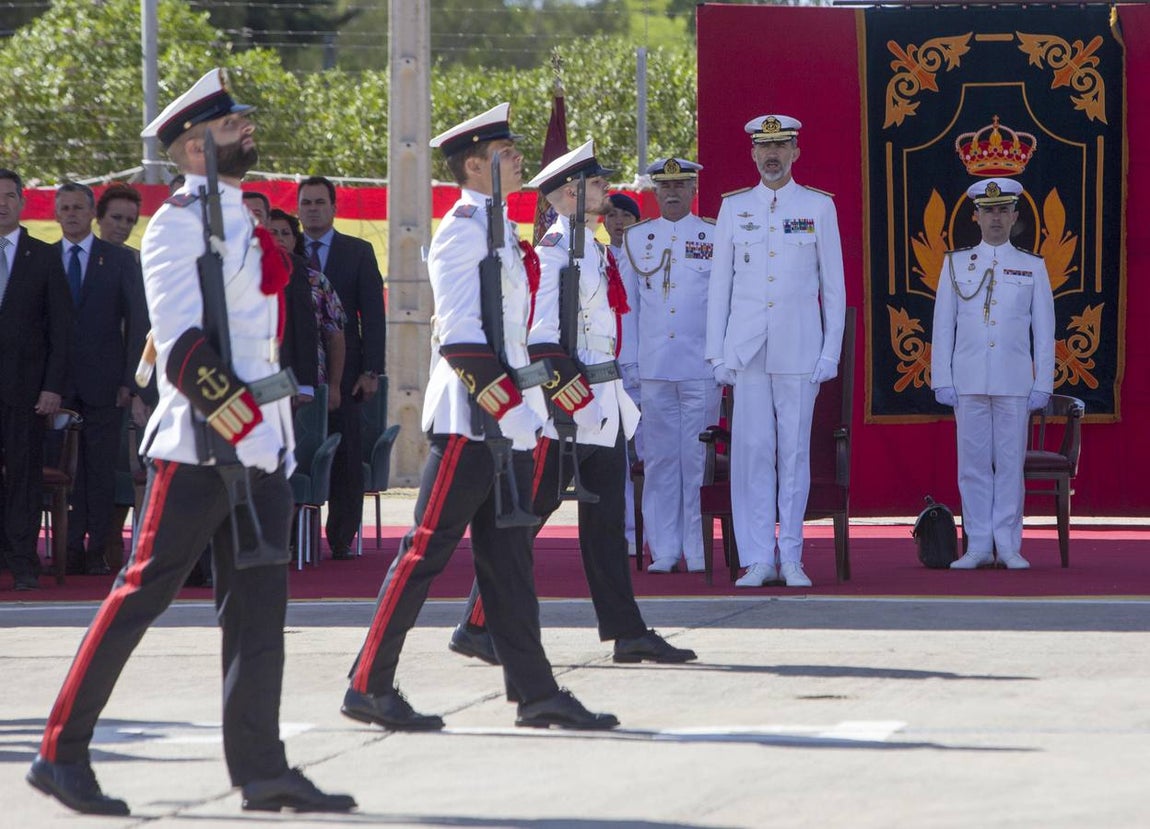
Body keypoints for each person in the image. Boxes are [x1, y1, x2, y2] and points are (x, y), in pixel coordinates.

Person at [27, 69, 356, 816]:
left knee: (259, 611)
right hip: (202, 445)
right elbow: (179, 346)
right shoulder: (178, 224)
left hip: (260, 446)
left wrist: (270, 439)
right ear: (193, 146)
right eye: (232, 124)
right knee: (141, 594)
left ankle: (262, 768)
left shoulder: (238, 215)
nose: (247, 129)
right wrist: (240, 426)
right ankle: (60, 752)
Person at [342, 104, 618, 732]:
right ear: (474, 166)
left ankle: (536, 692)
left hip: (507, 422)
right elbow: (461, 337)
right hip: (472, 421)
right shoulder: (463, 231)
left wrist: (520, 417)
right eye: (505, 151)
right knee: (424, 552)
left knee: (509, 562)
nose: (519, 157)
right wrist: (504, 410)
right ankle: (368, 684)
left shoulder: (499, 230)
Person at [450, 141, 697, 666]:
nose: (606, 189)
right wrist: (576, 403)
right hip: (565, 414)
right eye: (595, 183)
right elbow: (542, 341)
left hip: (602, 408)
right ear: (568, 194)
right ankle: (476, 624)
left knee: (606, 526)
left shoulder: (593, 249)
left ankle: (627, 631)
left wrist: (601, 405)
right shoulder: (554, 254)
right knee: (526, 519)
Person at [706, 114, 846, 588]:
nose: (772, 155)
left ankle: (792, 556)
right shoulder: (734, 208)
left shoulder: (818, 206)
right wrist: (717, 354)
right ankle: (758, 557)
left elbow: (834, 288)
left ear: (795, 152)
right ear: (752, 153)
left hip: (800, 348)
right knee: (752, 453)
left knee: (794, 454)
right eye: (764, 148)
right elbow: (720, 287)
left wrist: (829, 353)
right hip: (747, 351)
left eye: (781, 146)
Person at [932, 178, 1056, 570]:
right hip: (968, 378)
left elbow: (1045, 331)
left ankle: (1008, 544)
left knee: (1009, 465)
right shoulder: (955, 263)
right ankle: (978, 545)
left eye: (1003, 210)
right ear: (976, 216)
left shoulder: (1032, 266)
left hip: (1014, 379)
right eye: (988, 211)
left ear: (1015, 216)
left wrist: (1043, 382)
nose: (996, 218)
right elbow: (943, 325)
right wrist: (942, 378)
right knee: (971, 467)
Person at [618, 158, 720, 574]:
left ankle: (697, 548)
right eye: (665, 187)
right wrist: (630, 362)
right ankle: (664, 549)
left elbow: (723, 302)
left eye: (680, 186)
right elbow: (626, 307)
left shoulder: (713, 235)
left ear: (693, 190)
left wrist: (720, 359)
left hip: (700, 365)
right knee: (660, 459)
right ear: (655, 192)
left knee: (696, 460)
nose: (673, 193)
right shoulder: (637, 238)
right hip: (654, 367)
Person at [54, 182, 149, 575]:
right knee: (61, 469)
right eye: (65, 208)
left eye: (79, 208)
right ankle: (65, 548)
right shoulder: (45, 257)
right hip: (55, 383)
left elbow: (139, 323)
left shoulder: (121, 260)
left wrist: (131, 382)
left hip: (106, 383)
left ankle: (95, 550)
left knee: (98, 470)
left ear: (90, 212)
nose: (72, 215)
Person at [297, 175, 386, 559]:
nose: (313, 209)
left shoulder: (358, 251)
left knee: (347, 454)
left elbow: (373, 315)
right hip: (299, 369)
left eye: (320, 202)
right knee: (301, 450)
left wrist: (372, 370)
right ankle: (297, 538)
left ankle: (341, 538)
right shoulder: (285, 251)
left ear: (334, 208)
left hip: (347, 374)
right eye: (306, 203)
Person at [0, 168, 72, 591]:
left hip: (26, 391)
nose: (2, 203)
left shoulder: (43, 257)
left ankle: (23, 560)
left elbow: (61, 329)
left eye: (10, 196)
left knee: (23, 477)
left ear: (23, 203)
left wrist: (52, 386)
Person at [268, 208, 347, 408]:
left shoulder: (316, 280)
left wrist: (335, 386)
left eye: (285, 233)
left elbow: (335, 335)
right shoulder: (254, 279)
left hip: (309, 382)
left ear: (295, 240)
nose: (279, 238)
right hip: (266, 378)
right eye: (273, 233)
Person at [603, 192, 642, 556]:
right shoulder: (595, 257)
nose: (618, 222)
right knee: (617, 457)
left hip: (642, 364)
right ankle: (627, 530)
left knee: (646, 452)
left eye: (625, 216)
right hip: (608, 368)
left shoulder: (646, 256)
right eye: (612, 215)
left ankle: (653, 529)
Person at [95, 183, 142, 251]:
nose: (123, 226)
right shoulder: (82, 254)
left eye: (130, 220)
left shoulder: (140, 257)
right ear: (99, 218)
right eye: (116, 218)